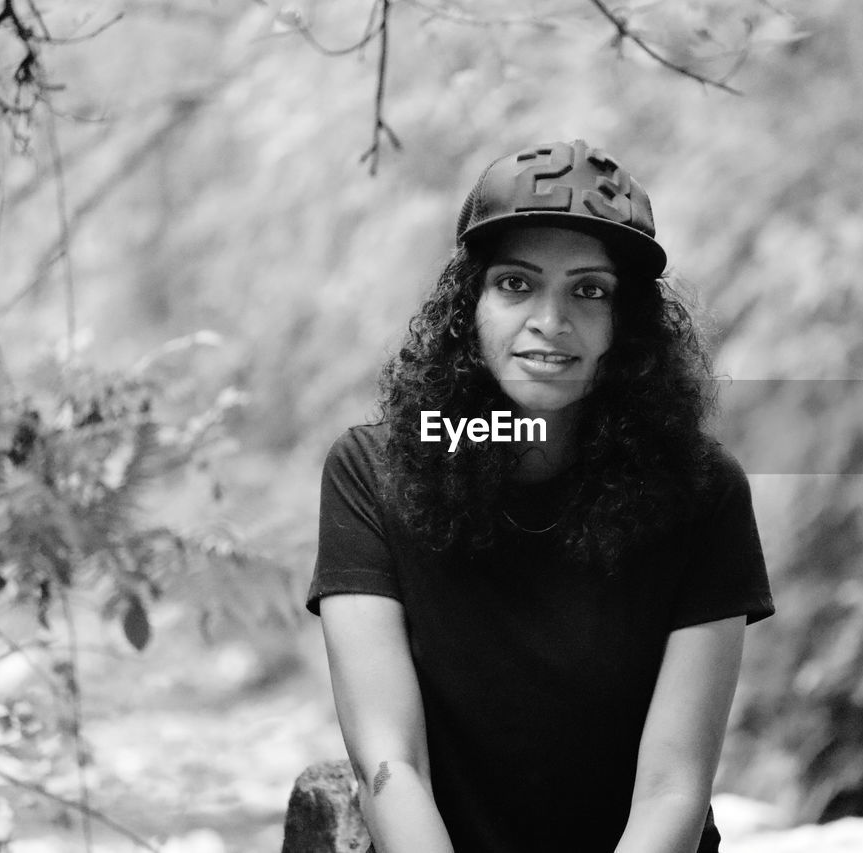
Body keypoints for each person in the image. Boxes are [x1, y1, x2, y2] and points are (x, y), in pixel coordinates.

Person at [307, 139, 775, 853]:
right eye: (517, 284)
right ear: (470, 304)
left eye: (589, 290)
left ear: (628, 323)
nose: (550, 321)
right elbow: (390, 765)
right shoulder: (371, 473)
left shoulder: (702, 493)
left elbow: (673, 789)